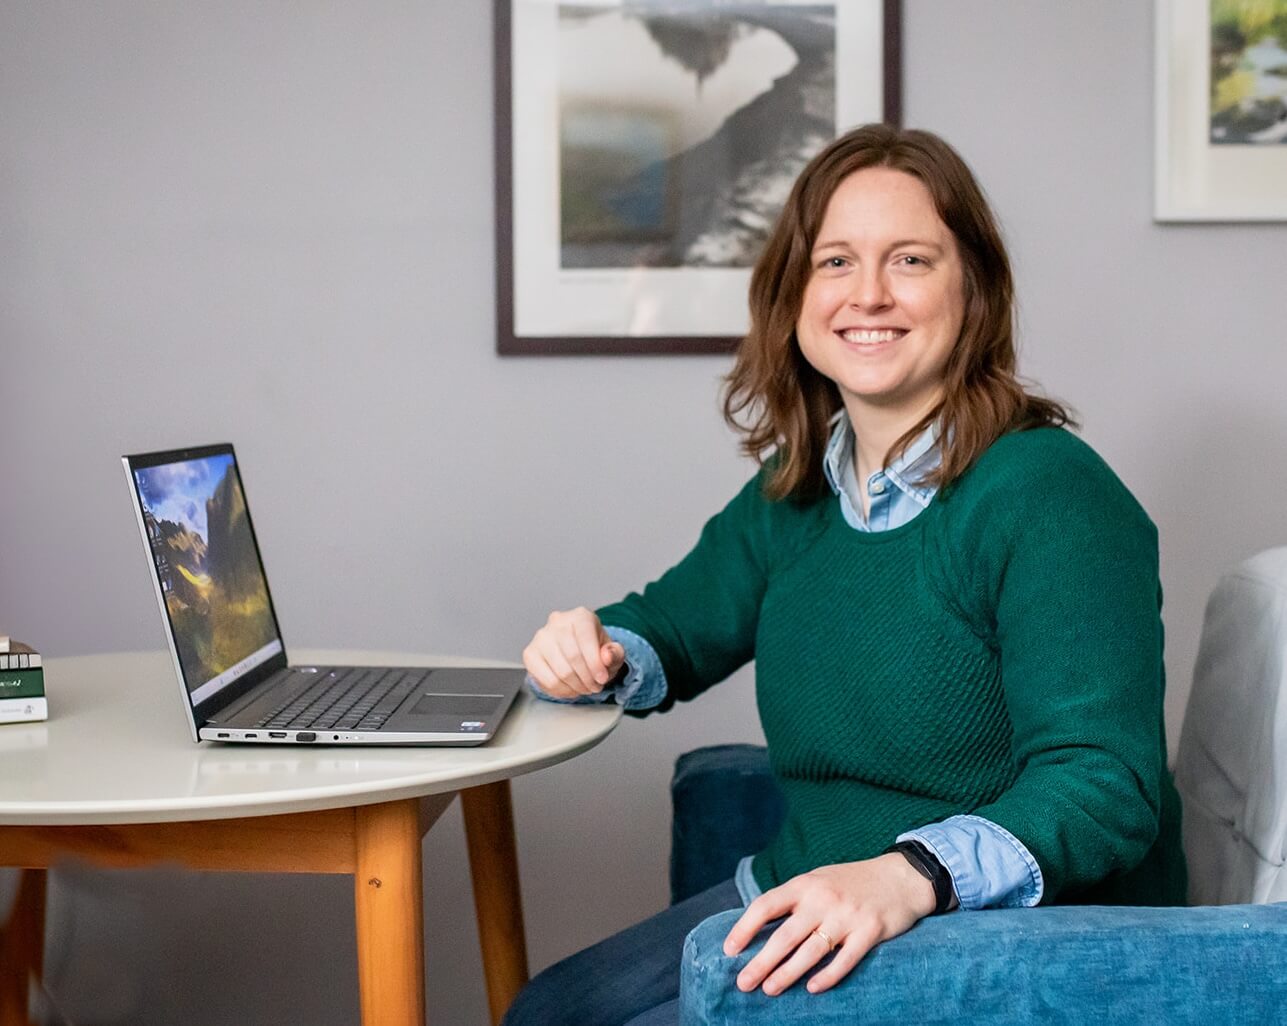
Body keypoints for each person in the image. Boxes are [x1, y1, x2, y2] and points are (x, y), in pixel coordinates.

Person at [504, 123, 1186, 1026]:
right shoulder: (799, 488)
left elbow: (1107, 783)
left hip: (993, 933)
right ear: (794, 295)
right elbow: (670, 629)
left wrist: (909, 874)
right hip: (809, 891)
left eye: (909, 259)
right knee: (546, 1015)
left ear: (971, 289)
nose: (867, 294)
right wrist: (589, 648)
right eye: (835, 262)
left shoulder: (1050, 494)